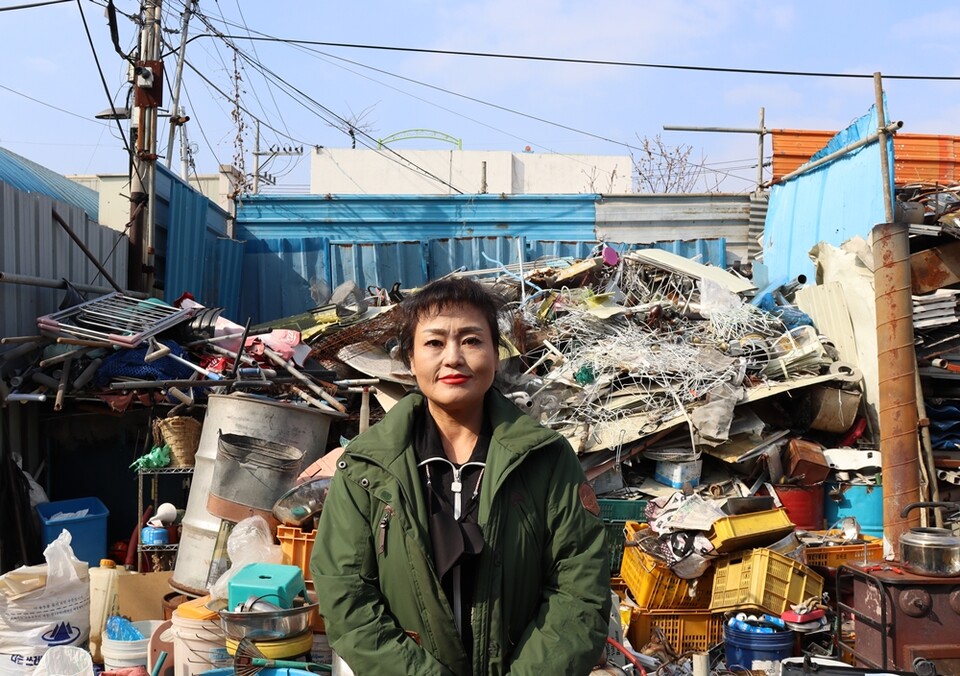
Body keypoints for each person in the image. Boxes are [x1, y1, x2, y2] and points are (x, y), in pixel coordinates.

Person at [310, 277, 611, 676]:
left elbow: (579, 590)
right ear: (410, 360)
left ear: (496, 353)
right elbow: (346, 594)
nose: (453, 357)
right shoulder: (367, 467)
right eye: (434, 343)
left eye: (471, 340)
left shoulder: (546, 460)